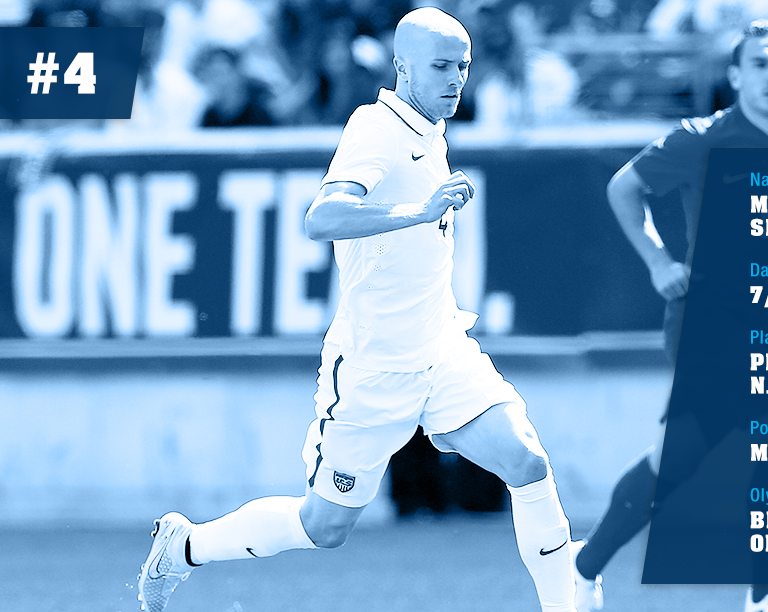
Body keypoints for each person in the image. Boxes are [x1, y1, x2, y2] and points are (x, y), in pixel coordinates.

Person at [138, 8, 577, 612]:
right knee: (325, 526)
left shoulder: (429, 127)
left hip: (441, 350)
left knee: (526, 461)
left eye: (463, 67)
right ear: (403, 68)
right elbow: (321, 218)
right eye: (442, 67)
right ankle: (185, 546)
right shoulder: (376, 127)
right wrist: (419, 212)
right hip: (373, 366)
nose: (456, 79)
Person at [570, 19, 768, 612]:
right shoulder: (701, 139)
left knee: (704, 456)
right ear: (735, 76)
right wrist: (657, 261)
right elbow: (624, 187)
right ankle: (761, 593)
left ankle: (588, 566)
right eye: (760, 63)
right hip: (710, 323)